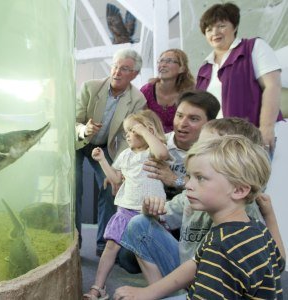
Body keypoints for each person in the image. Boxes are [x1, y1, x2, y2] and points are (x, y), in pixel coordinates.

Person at [113, 136, 285, 299]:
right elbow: (196, 263)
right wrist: (147, 293)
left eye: (200, 178)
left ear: (239, 190)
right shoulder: (255, 228)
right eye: (190, 176)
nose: (187, 185)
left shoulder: (221, 248)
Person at [116, 90, 220, 274]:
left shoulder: (213, 153)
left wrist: (174, 179)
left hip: (190, 219)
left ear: (209, 124)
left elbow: (213, 189)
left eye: (193, 119)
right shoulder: (157, 143)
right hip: (155, 214)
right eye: (179, 116)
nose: (182, 124)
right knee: (126, 260)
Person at [83, 110, 169, 300]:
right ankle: (98, 287)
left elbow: (162, 153)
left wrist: (145, 131)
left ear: (147, 130)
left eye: (131, 130)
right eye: (127, 131)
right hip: (126, 210)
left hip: (151, 213)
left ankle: (157, 291)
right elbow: (115, 179)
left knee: (147, 253)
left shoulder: (153, 152)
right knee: (111, 246)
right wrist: (102, 160)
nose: (127, 135)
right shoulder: (125, 155)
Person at [75, 49, 146, 255]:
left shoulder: (138, 100)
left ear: (134, 74)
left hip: (105, 148)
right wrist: (83, 130)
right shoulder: (90, 87)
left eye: (124, 69)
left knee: (110, 187)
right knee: (74, 186)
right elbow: (72, 120)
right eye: (115, 66)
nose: (117, 72)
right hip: (79, 144)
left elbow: (128, 136)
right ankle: (74, 240)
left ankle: (103, 244)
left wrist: (120, 169)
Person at [195, 2, 283, 155]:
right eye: (209, 29)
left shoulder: (253, 47)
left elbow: (272, 86)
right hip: (216, 145)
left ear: (234, 26)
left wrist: (267, 127)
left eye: (221, 26)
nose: (214, 32)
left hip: (253, 139)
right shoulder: (205, 68)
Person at [140, 49, 195, 133]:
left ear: (182, 68)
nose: (163, 65)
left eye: (169, 61)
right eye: (161, 61)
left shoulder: (190, 94)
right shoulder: (146, 91)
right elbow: (141, 121)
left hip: (182, 140)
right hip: (153, 139)